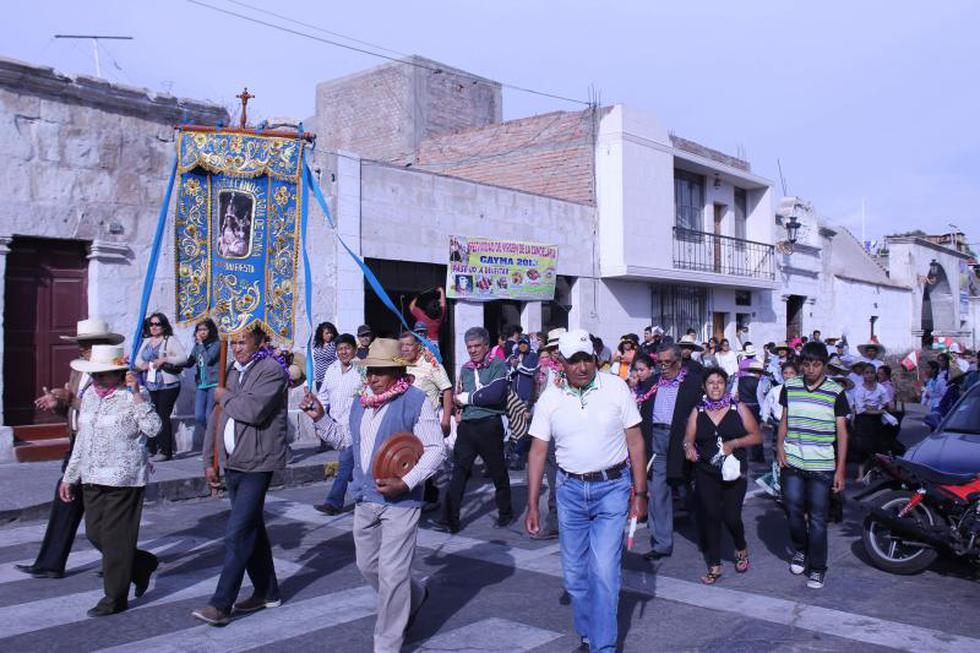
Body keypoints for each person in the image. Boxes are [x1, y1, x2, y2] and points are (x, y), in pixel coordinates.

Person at [301, 338, 444, 653]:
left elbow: (435, 450)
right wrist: (320, 417)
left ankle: (387, 645)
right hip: (365, 499)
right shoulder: (359, 402)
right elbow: (345, 441)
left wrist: (406, 482)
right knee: (368, 566)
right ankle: (416, 596)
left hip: (401, 503)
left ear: (397, 371)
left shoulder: (416, 400)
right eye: (370, 372)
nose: (373, 378)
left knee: (393, 574)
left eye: (380, 372)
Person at [525, 329, 647, 653]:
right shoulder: (550, 397)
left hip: (612, 489)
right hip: (569, 492)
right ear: (560, 362)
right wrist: (533, 504)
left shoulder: (616, 388)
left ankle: (603, 647)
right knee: (576, 578)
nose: (582, 367)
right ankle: (589, 634)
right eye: (574, 361)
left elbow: (635, 441)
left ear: (595, 358)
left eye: (587, 359)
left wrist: (641, 493)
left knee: (605, 574)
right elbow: (537, 452)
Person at [193, 326, 289, 626]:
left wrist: (223, 396)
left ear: (260, 342)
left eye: (242, 341)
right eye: (233, 342)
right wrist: (210, 459)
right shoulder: (232, 371)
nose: (236, 347)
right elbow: (216, 417)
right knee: (251, 528)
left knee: (237, 532)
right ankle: (267, 591)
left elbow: (254, 410)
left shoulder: (272, 370)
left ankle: (221, 604)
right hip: (233, 462)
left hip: (257, 463)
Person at [18, 319, 125, 580]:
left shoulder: (115, 370)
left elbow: (105, 409)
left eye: (87, 344)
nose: (82, 349)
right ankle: (51, 562)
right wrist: (57, 404)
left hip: (102, 446)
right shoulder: (78, 371)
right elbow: (75, 409)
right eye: (81, 344)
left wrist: (70, 399)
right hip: (77, 442)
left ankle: (124, 562)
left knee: (104, 512)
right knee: (66, 500)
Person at [59, 345, 162, 616]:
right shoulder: (90, 395)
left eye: (104, 374)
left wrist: (138, 395)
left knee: (115, 540)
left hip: (124, 477)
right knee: (95, 533)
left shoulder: (132, 394)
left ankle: (114, 598)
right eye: (95, 374)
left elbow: (153, 429)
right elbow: (82, 439)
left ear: (119, 373)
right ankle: (140, 563)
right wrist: (70, 477)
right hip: (92, 475)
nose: (98, 379)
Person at [777, 341, 849, 590]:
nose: (810, 369)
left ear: (825, 366)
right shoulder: (790, 386)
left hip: (822, 466)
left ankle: (818, 567)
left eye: (816, 364)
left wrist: (840, 469)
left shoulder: (836, 392)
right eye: (806, 364)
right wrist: (779, 449)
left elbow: (842, 433)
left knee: (818, 519)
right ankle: (800, 549)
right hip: (793, 460)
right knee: (793, 510)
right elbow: (784, 420)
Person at [683, 367, 761, 584]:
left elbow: (757, 436)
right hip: (706, 470)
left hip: (734, 472)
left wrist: (734, 443)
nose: (715, 386)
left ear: (725, 385)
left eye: (719, 382)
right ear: (704, 387)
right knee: (711, 515)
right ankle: (715, 564)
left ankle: (741, 546)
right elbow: (688, 437)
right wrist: (688, 447)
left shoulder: (738, 407)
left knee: (731, 517)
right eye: (711, 382)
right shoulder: (697, 411)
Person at [438, 327, 514, 533]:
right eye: (469, 347)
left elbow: (495, 395)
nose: (472, 350)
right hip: (468, 427)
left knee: (498, 471)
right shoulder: (465, 368)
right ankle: (449, 519)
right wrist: (461, 402)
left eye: (477, 346)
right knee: (459, 473)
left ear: (487, 346)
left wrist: (467, 398)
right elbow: (457, 397)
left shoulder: (498, 366)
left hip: (490, 425)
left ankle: (505, 513)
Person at [646, 343, 702, 560]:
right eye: (659, 362)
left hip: (683, 438)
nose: (662, 367)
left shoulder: (693, 383)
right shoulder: (652, 383)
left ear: (678, 362)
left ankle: (704, 531)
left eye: (667, 362)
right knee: (658, 490)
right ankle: (661, 544)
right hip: (657, 437)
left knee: (690, 486)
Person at [399, 329, 454, 510]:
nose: (405, 349)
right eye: (402, 346)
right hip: (405, 422)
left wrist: (445, 420)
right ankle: (411, 495)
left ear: (418, 346)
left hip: (426, 422)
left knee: (428, 460)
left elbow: (446, 389)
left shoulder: (431, 364)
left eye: (409, 345)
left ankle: (433, 498)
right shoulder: (398, 365)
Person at [313, 334, 362, 515]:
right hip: (336, 425)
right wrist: (319, 420)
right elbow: (323, 396)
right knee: (352, 466)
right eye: (340, 348)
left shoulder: (361, 370)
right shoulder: (331, 369)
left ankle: (333, 502)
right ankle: (365, 498)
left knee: (346, 463)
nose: (344, 352)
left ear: (354, 350)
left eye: (347, 348)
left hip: (355, 426)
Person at [133, 312, 186, 461]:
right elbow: (137, 359)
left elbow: (182, 358)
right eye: (151, 324)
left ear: (163, 325)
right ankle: (151, 447)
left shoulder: (170, 340)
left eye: (157, 324)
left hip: (168, 385)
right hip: (151, 384)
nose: (154, 327)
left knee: (163, 416)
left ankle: (165, 450)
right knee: (151, 415)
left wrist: (164, 359)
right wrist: (142, 365)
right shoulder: (147, 341)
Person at [178, 318, 221, 449]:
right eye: (199, 330)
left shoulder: (217, 344)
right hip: (201, 384)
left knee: (209, 416)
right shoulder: (197, 346)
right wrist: (171, 362)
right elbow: (190, 362)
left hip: (213, 383)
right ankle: (212, 440)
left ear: (210, 330)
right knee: (199, 416)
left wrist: (201, 344)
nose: (201, 332)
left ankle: (213, 446)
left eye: (204, 329)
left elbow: (208, 359)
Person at [851, 363, 892, 480]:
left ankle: (876, 471)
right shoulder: (859, 389)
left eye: (872, 372)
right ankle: (860, 474)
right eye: (867, 373)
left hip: (876, 422)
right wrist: (877, 410)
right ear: (863, 375)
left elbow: (886, 404)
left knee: (877, 446)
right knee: (862, 447)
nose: (869, 375)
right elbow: (860, 409)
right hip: (863, 421)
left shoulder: (880, 388)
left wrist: (876, 409)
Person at [312, 321, 339, 391]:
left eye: (331, 333)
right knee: (321, 400)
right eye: (327, 333)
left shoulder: (334, 344)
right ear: (321, 334)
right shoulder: (317, 345)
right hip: (318, 380)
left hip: (331, 380)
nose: (330, 335)